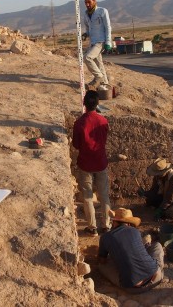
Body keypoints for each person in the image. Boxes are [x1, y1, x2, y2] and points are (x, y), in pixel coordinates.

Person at [98, 208, 164, 293]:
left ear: (114, 222)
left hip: (132, 289)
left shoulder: (105, 237)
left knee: (101, 266)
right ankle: (159, 269)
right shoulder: (136, 231)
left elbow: (102, 260)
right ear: (129, 223)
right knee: (157, 245)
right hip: (156, 278)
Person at [72, 90, 111, 236]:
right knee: (104, 194)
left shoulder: (79, 123)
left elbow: (76, 145)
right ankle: (106, 225)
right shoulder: (103, 121)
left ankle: (92, 227)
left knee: (88, 196)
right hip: (101, 162)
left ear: (84, 104)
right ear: (97, 104)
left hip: (85, 164)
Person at [139, 158, 173, 222]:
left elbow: (169, 199)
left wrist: (160, 209)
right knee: (150, 201)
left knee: (168, 213)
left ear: (164, 172)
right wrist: (145, 193)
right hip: (167, 197)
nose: (156, 175)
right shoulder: (158, 177)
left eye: (157, 174)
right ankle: (165, 209)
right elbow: (154, 190)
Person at [82, 0, 112, 86]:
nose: (87, 4)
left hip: (101, 41)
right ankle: (105, 84)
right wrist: (86, 34)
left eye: (89, 2)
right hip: (93, 42)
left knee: (87, 58)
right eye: (85, 3)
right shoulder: (86, 14)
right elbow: (88, 27)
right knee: (99, 63)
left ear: (94, 0)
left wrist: (108, 42)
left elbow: (108, 27)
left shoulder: (102, 11)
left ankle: (98, 77)